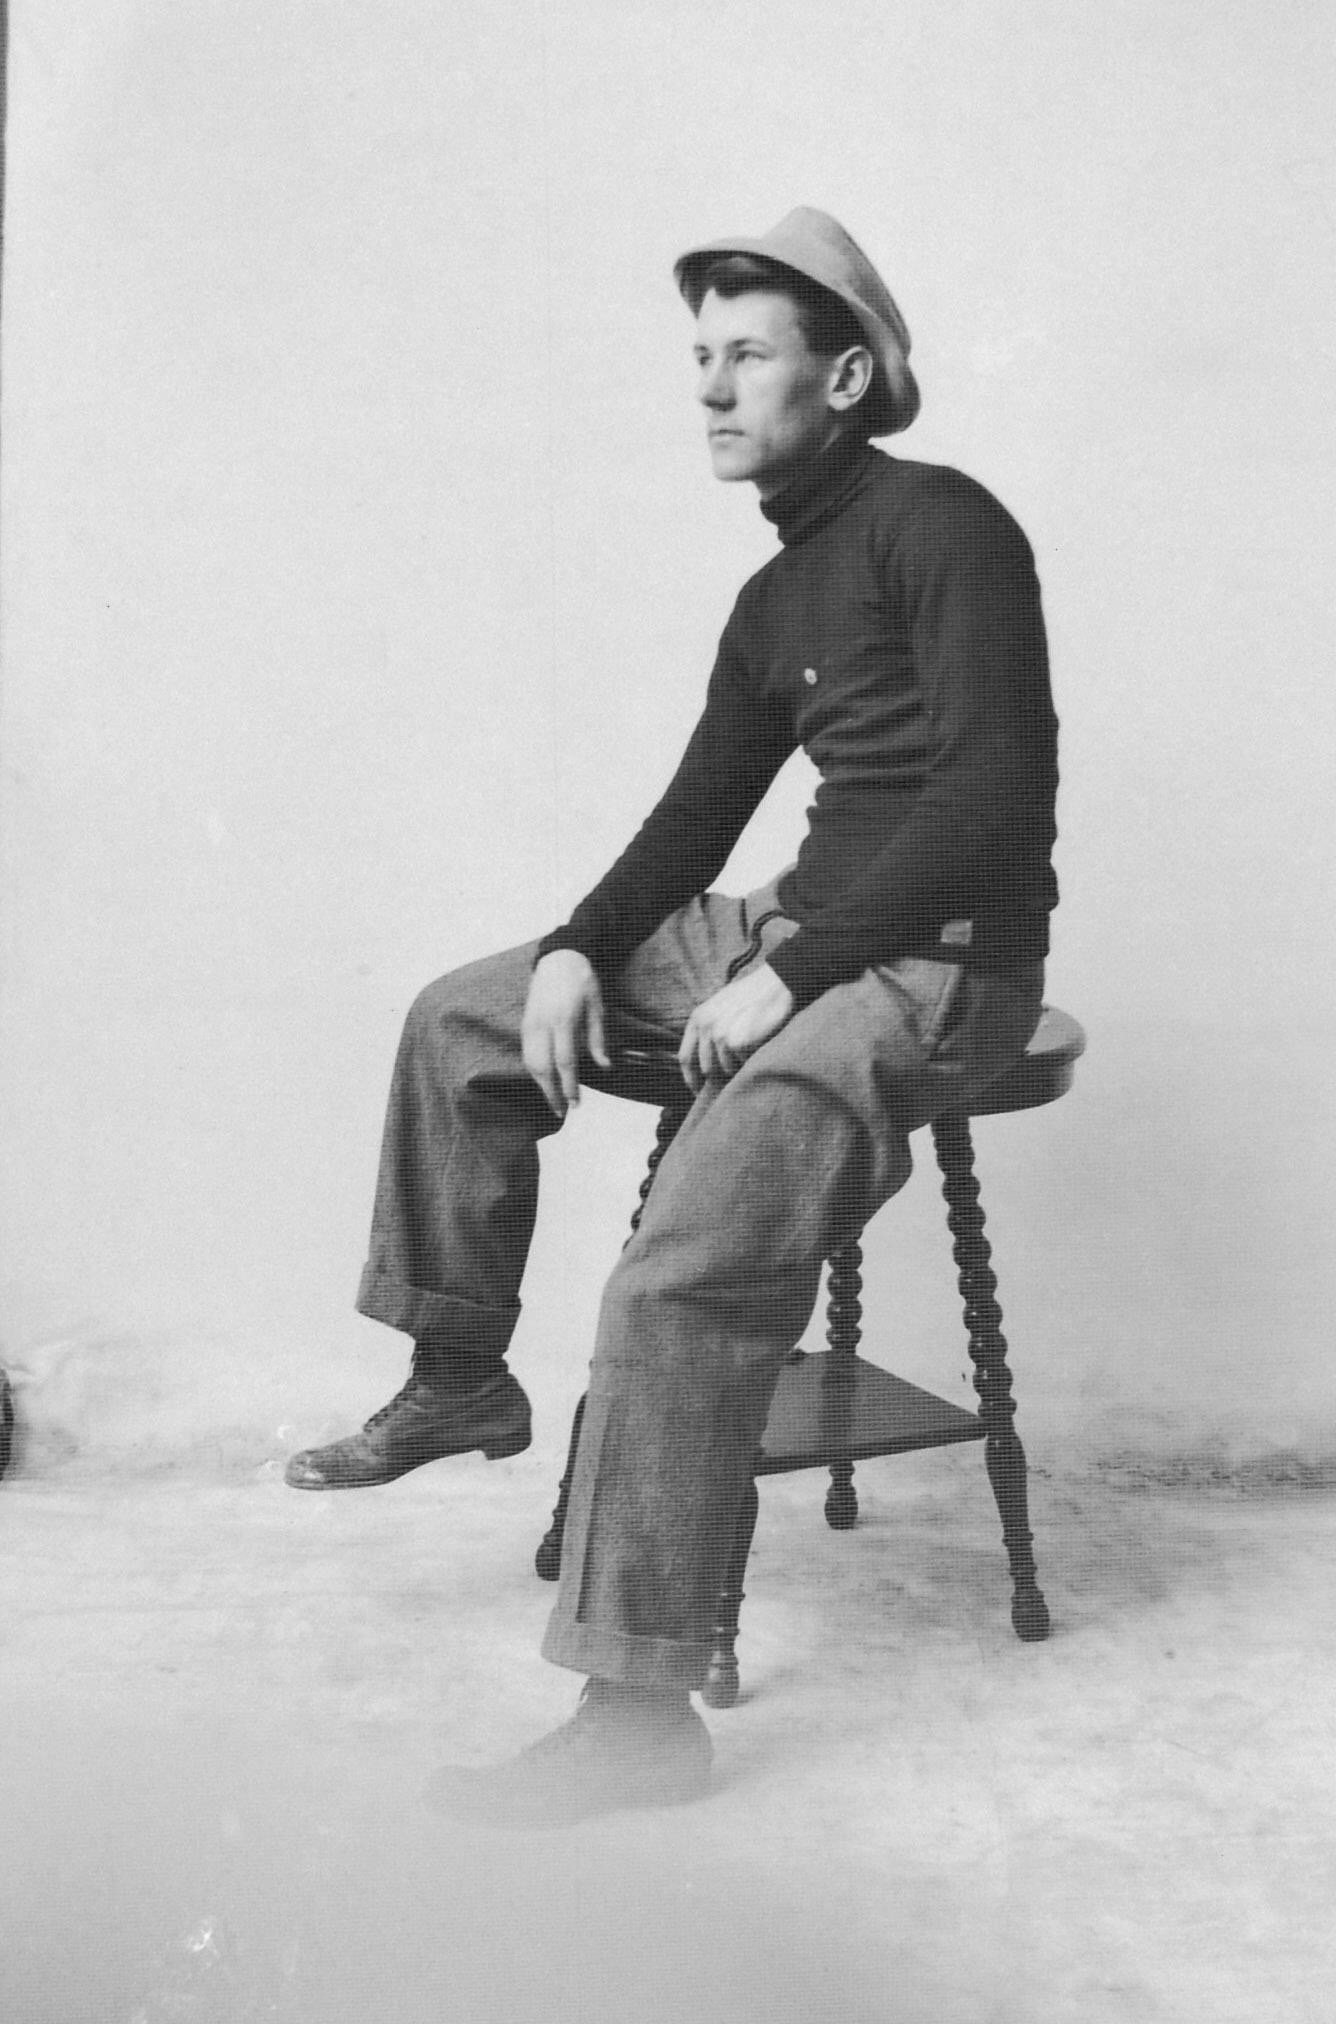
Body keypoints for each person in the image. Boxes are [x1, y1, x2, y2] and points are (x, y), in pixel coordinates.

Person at [284, 208, 1059, 1826]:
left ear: (845, 377)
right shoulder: (777, 592)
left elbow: (991, 801)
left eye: (747, 355)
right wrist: (582, 946)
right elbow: (699, 812)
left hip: (942, 964)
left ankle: (639, 1718)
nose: (709, 387)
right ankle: (459, 1373)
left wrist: (799, 971)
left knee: (676, 1277)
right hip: (805, 928)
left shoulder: (946, 526)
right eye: (700, 356)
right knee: (467, 1016)